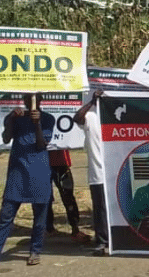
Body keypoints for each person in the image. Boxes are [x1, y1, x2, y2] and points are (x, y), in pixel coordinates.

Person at [0, 93, 55, 275]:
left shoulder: (48, 118)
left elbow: (42, 145)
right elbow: (6, 139)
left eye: (35, 98)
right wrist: (9, 120)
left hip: (39, 171)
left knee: (40, 217)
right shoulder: (17, 117)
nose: (30, 102)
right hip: (17, 173)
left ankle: (35, 250)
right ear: (23, 100)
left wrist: (37, 124)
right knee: (5, 216)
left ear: (41, 101)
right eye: (27, 98)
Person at [72, 89, 109, 255]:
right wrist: (92, 103)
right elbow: (77, 118)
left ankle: (118, 240)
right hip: (98, 174)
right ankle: (102, 241)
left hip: (116, 174)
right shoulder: (91, 117)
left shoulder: (118, 116)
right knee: (100, 210)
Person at [46, 148, 89, 242]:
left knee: (68, 195)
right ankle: (48, 228)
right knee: (45, 197)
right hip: (43, 159)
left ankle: (75, 229)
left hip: (60, 161)